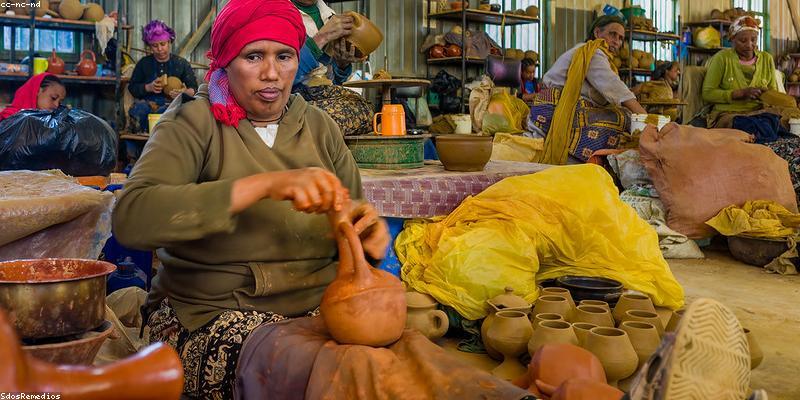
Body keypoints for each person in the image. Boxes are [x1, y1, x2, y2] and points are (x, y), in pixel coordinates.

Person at [112, 1, 389, 397]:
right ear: (226, 61)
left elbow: (353, 220)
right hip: (212, 312)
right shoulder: (193, 122)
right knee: (331, 374)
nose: (272, 74)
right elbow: (132, 218)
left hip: (318, 307)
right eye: (253, 56)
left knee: (404, 363)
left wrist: (368, 240)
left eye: (285, 56)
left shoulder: (318, 127)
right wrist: (262, 186)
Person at [527, 15, 647, 165]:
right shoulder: (591, 52)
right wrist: (644, 117)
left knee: (621, 114)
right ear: (597, 33)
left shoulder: (597, 54)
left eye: (621, 38)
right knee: (622, 118)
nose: (616, 41)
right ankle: (584, 161)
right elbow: (613, 86)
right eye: (612, 34)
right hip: (553, 108)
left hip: (559, 104)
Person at [701, 15, 799, 136]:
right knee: (755, 126)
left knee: (792, 116)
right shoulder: (722, 58)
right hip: (729, 114)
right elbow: (707, 93)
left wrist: (767, 93)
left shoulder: (766, 59)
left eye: (753, 40)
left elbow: (772, 93)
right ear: (732, 39)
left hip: (760, 112)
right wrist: (739, 93)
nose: (749, 45)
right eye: (743, 41)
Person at [128, 20, 198, 134]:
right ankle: (136, 147)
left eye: (163, 44)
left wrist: (183, 92)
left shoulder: (181, 64)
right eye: (155, 46)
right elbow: (132, 88)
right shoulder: (144, 63)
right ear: (149, 46)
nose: (160, 49)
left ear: (169, 42)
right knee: (138, 110)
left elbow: (194, 89)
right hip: (148, 105)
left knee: (166, 113)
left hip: (172, 105)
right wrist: (148, 87)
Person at [290, 0, 363, 88]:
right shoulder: (275, 14)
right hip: (291, 99)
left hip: (324, 98)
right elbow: (280, 76)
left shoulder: (330, 15)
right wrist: (321, 38)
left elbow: (333, 83)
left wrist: (341, 64)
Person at [0, 73, 65, 122]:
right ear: (38, 91)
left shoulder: (52, 122)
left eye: (59, 102)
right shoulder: (9, 119)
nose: (56, 105)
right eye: (53, 98)